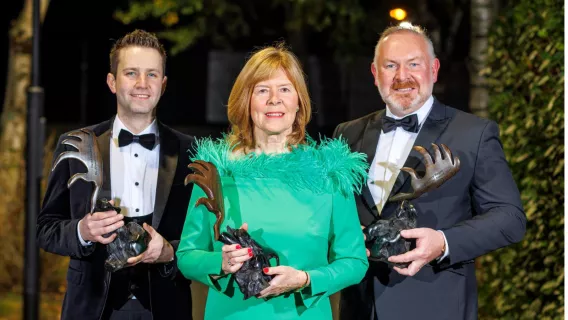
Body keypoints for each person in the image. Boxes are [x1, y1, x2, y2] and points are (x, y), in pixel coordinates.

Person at [333, 23, 526, 320]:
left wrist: (443, 242)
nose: (402, 77)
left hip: (436, 306)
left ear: (434, 70)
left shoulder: (474, 134)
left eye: (413, 64)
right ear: (375, 74)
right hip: (359, 307)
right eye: (390, 66)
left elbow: (510, 219)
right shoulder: (347, 134)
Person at [176, 43, 369, 319]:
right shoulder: (215, 172)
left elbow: (354, 261)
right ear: (246, 100)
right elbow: (187, 255)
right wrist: (219, 261)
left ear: (299, 101)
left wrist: (305, 279)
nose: (274, 99)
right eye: (262, 90)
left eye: (285, 89)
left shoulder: (330, 174)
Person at [37, 29, 194, 319]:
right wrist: (82, 231)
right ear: (112, 81)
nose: (142, 84)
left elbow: (205, 237)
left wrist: (169, 252)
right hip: (90, 308)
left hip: (165, 306)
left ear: (164, 83)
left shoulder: (191, 151)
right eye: (131, 73)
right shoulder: (74, 145)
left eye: (152, 74)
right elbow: (45, 229)